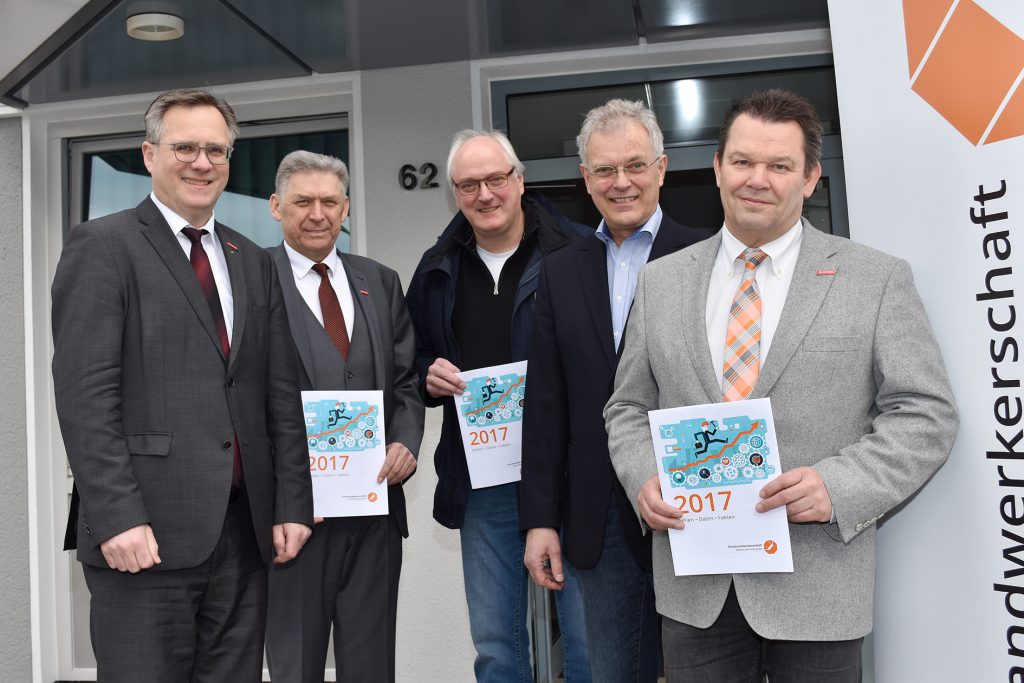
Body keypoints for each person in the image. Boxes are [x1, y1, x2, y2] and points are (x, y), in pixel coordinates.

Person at [604, 88, 959, 682]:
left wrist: (838, 485)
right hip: (698, 590)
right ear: (717, 168)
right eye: (742, 161)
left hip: (818, 589)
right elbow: (628, 407)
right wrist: (644, 476)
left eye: (779, 165)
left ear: (812, 177)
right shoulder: (661, 282)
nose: (757, 179)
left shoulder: (874, 279)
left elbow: (925, 413)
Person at [51, 88, 313, 682]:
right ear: (149, 155)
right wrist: (117, 516)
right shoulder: (102, 246)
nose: (202, 162)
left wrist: (292, 502)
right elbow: (85, 397)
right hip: (143, 539)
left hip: (243, 538)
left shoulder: (252, 259)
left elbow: (279, 394)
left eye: (216, 150)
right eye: (185, 147)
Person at [519, 99, 709, 682]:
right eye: (604, 169)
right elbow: (546, 405)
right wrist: (540, 520)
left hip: (696, 503)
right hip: (596, 513)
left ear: (661, 168)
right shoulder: (560, 269)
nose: (620, 182)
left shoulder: (711, 255)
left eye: (634, 165)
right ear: (585, 179)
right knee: (610, 671)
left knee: (703, 669)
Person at [406, 129, 592, 682]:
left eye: (495, 179)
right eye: (468, 185)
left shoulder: (578, 251)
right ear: (455, 193)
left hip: (568, 473)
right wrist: (426, 376)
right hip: (482, 476)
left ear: (519, 179)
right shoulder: (437, 267)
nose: (484, 194)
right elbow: (411, 358)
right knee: (497, 643)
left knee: (587, 640)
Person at [264, 151, 424, 682]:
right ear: (275, 207)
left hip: (374, 513)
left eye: (329, 202)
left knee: (373, 663)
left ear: (346, 207)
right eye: (303, 201)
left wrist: (406, 441)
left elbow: (405, 382)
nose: (317, 214)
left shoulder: (378, 281)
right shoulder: (252, 280)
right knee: (296, 664)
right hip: (296, 517)